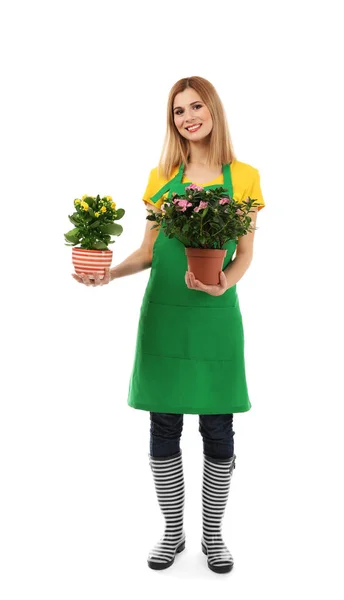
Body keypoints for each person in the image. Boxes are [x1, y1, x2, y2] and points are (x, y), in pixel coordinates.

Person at [72, 76, 265, 575]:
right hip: (163, 312)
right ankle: (173, 531)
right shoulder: (162, 176)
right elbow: (145, 251)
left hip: (216, 316)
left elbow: (245, 253)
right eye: (178, 111)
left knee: (219, 426)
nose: (187, 117)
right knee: (164, 426)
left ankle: (214, 536)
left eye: (195, 106)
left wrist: (224, 284)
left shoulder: (243, 176)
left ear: (214, 111)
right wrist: (108, 274)